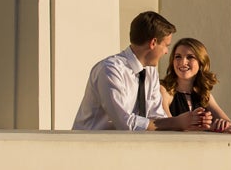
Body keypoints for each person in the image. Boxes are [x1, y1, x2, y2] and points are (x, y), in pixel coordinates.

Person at [73, 11, 208, 131]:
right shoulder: (110, 70)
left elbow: (156, 116)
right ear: (153, 43)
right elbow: (125, 123)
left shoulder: (150, 71)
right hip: (90, 151)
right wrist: (177, 122)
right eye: (166, 45)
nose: (167, 52)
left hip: (126, 150)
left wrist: (186, 122)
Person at [160, 38, 231, 134]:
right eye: (178, 57)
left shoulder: (204, 95)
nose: (183, 62)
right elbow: (167, 124)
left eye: (190, 57)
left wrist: (222, 125)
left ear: (201, 62)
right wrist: (209, 127)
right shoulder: (164, 90)